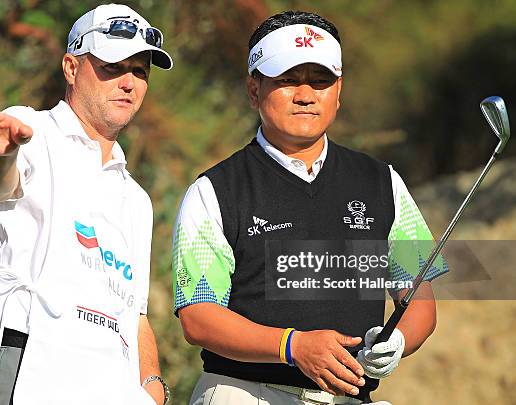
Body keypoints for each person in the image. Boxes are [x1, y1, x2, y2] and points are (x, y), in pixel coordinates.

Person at [172, 10, 447, 405]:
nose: (305, 95)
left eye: (320, 81)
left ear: (339, 90)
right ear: (254, 90)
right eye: (286, 80)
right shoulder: (215, 190)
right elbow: (198, 317)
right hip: (245, 393)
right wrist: (291, 346)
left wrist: (400, 340)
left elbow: (418, 297)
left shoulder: (382, 181)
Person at [0, 4, 172, 404]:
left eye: (140, 71)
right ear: (71, 68)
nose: (128, 82)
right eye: (113, 66)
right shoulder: (28, 129)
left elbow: (135, 311)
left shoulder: (137, 199)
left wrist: (152, 389)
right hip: (26, 377)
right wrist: (4, 155)